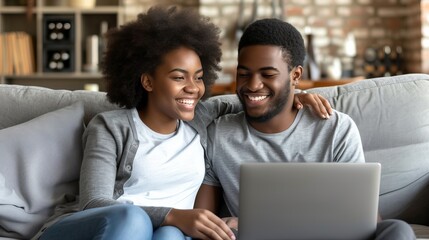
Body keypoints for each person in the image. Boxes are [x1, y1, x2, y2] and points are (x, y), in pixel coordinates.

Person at [35, 6, 332, 240]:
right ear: (148, 81)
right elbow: (93, 204)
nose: (193, 88)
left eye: (199, 77)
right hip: (96, 228)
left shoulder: (201, 119)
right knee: (136, 219)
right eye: (179, 77)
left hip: (168, 231)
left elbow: (253, 97)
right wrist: (173, 215)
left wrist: (298, 94)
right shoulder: (110, 127)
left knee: (171, 237)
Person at [195, 18, 416, 240]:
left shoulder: (335, 129)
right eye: (244, 74)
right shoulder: (218, 135)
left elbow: (366, 223)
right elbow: (203, 222)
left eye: (268, 74)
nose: (252, 85)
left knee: (399, 230)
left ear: (296, 76)